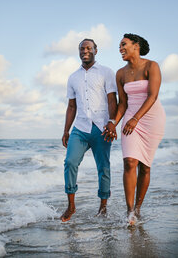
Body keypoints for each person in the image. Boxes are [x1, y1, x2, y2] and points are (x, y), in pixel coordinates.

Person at [103, 33, 165, 225]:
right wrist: (113, 122)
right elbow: (123, 104)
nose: (120, 48)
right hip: (130, 117)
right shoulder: (120, 73)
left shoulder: (151, 66)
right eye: (119, 46)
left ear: (136, 46)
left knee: (145, 167)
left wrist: (137, 119)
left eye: (124, 45)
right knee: (130, 162)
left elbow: (153, 96)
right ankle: (129, 211)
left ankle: (138, 208)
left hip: (151, 118)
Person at [60, 38, 117, 222]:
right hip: (80, 127)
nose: (85, 51)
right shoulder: (73, 77)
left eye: (88, 48)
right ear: (79, 52)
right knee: (70, 162)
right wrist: (66, 131)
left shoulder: (107, 72)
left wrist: (112, 122)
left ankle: (102, 208)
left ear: (95, 50)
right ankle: (71, 206)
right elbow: (71, 106)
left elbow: (111, 100)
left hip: (101, 127)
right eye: (82, 48)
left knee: (104, 168)